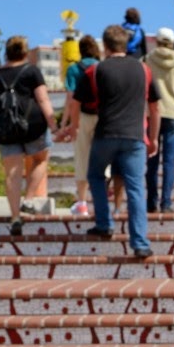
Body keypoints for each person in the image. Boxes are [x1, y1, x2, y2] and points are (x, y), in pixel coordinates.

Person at [70, 24, 160, 254]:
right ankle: (140, 244)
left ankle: (104, 224)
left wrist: (73, 127)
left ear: (106, 46)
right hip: (135, 136)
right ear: (126, 45)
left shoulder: (95, 71)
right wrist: (153, 138)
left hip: (105, 134)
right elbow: (155, 107)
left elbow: (76, 101)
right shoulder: (144, 70)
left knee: (95, 175)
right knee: (135, 188)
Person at [0, 35, 57, 236]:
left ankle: (15, 217)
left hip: (6, 129)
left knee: (12, 172)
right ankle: (29, 199)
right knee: (41, 159)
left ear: (6, 53)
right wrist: (53, 124)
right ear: (25, 52)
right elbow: (43, 100)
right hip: (33, 125)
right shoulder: (32, 71)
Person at [145, 27, 174, 212]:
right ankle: (166, 202)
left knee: (151, 160)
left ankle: (151, 202)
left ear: (156, 41)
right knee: (169, 162)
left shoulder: (147, 60)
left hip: (151, 113)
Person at [59, 34, 101, 217]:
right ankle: (102, 199)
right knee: (102, 157)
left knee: (82, 159)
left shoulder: (74, 69)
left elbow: (71, 99)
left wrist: (66, 123)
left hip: (82, 116)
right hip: (102, 117)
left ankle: (82, 203)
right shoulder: (102, 67)